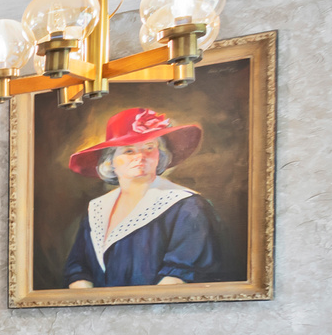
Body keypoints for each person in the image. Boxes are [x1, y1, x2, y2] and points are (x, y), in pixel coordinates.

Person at [62, 107, 221, 288]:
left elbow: (179, 276)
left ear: (159, 156)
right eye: (129, 151)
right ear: (110, 162)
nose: (141, 156)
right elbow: (78, 269)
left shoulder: (188, 206)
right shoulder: (97, 208)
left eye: (149, 148)